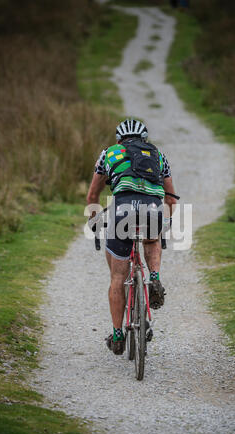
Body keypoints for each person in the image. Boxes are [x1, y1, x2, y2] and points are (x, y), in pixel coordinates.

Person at [86, 119, 177, 355]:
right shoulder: (158, 156)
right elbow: (171, 198)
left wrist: (94, 218)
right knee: (152, 238)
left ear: (119, 140)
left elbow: (93, 194)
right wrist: (166, 222)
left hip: (121, 210)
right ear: (144, 139)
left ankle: (117, 336)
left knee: (118, 277)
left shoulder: (109, 153)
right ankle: (154, 277)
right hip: (152, 208)